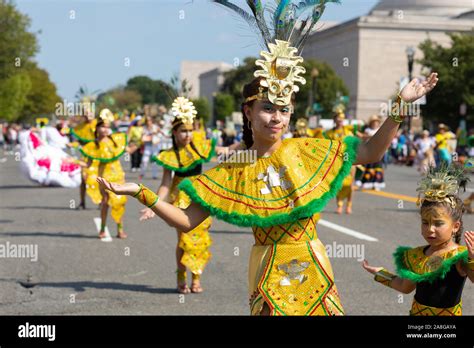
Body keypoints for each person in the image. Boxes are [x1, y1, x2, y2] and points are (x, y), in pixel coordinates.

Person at [96, 0, 438, 315]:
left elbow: (370, 151)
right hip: (266, 271)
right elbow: (186, 221)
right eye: (268, 108)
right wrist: (140, 191)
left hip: (314, 267)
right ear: (248, 111)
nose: (276, 117)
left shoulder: (308, 150)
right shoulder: (234, 169)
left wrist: (400, 106)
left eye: (284, 109)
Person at [363, 164, 474, 315]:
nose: (430, 229)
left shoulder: (460, 257)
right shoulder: (417, 256)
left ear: (455, 226)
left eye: (438, 223)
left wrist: (473, 259)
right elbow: (405, 287)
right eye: (425, 223)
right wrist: (380, 273)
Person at [144, 97, 217, 294]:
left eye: (190, 130)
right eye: (183, 131)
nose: (187, 134)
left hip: (200, 197)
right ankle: (181, 275)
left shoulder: (200, 147)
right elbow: (165, 184)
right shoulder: (168, 155)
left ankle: (197, 277)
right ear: (174, 132)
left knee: (200, 239)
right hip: (180, 198)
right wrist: (154, 205)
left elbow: (225, 151)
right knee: (184, 240)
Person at [80, 109, 129, 239]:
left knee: (119, 201)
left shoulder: (115, 141)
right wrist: (74, 162)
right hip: (103, 176)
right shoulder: (93, 145)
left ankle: (120, 229)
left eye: (107, 127)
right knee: (106, 202)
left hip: (118, 174)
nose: (105, 129)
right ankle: (102, 228)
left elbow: (127, 150)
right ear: (97, 128)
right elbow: (88, 164)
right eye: (102, 126)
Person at [323, 105, 363, 214]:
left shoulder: (349, 129)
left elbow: (361, 136)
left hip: (350, 160)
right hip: (337, 161)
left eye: (342, 118)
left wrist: (369, 137)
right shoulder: (329, 133)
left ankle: (349, 205)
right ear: (334, 119)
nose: (340, 120)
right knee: (339, 183)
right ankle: (339, 204)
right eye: (338, 118)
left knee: (350, 184)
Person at [71, 111, 97, 209]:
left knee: (98, 179)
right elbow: (78, 141)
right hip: (86, 156)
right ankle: (82, 202)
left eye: (89, 114)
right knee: (83, 179)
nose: (87, 116)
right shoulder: (80, 127)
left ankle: (101, 201)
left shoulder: (98, 125)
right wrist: (73, 144)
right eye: (85, 114)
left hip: (98, 155)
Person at [360, 115, 386, 191]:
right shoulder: (367, 130)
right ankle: (365, 183)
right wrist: (369, 136)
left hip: (378, 151)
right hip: (369, 151)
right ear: (371, 123)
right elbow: (363, 138)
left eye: (376, 122)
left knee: (377, 168)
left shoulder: (380, 130)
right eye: (374, 122)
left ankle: (376, 184)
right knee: (369, 167)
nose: (375, 124)